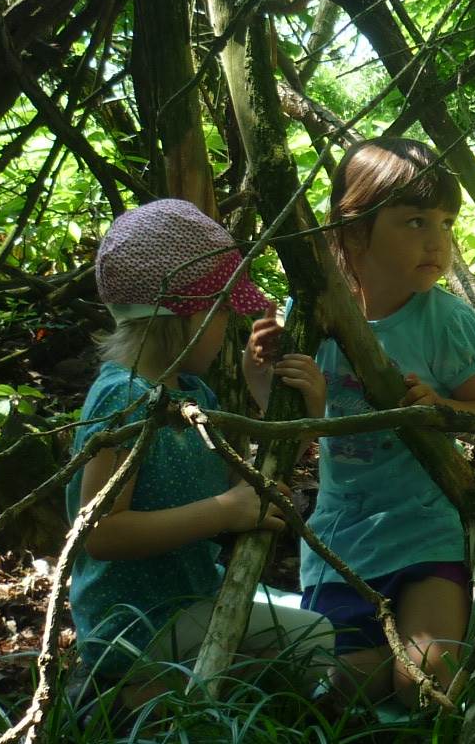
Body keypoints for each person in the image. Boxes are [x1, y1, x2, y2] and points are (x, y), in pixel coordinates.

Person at [297, 137, 475, 706]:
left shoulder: (445, 321)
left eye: (446, 223)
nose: (438, 241)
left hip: (427, 521)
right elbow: (299, 435)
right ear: (354, 232)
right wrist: (269, 379)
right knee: (351, 689)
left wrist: (440, 409)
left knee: (427, 684)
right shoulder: (314, 314)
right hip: (345, 529)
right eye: (414, 222)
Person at [66, 198, 333, 701]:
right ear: (183, 316)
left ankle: (168, 696)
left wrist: (288, 405)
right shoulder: (125, 399)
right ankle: (132, 699)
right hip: (136, 622)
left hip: (190, 595)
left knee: (308, 621)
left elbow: (247, 487)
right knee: (313, 638)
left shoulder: (191, 393)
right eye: (222, 311)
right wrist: (224, 511)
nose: (229, 325)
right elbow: (100, 532)